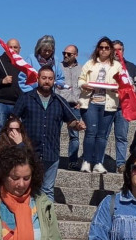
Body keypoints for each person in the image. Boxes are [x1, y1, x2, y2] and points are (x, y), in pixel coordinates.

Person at [11, 66, 86, 199]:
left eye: (50, 79)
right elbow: (13, 119)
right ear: (38, 79)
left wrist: (77, 126)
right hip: (29, 152)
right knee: (27, 189)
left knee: (48, 190)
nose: (47, 81)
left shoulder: (60, 101)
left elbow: (71, 122)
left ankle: (46, 219)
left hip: (51, 153)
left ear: (54, 81)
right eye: (44, 78)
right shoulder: (26, 98)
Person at [78, 36, 123, 174]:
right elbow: (80, 80)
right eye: (101, 47)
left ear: (111, 50)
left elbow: (123, 83)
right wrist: (84, 85)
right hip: (91, 102)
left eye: (107, 48)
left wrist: (118, 88)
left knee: (102, 135)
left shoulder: (117, 66)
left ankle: (98, 162)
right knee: (91, 132)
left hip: (108, 104)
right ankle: (86, 161)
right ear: (98, 49)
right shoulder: (90, 64)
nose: (104, 50)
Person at [111, 40, 136, 173]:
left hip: (123, 107)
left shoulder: (131, 66)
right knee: (101, 135)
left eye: (119, 50)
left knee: (122, 136)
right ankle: (98, 162)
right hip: (107, 105)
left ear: (123, 51)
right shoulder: (106, 65)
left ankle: (120, 163)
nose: (117, 52)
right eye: (114, 50)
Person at [55, 44, 82, 170]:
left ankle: (73, 161)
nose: (65, 55)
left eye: (69, 54)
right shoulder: (57, 67)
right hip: (59, 103)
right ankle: (54, 159)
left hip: (74, 106)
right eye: (64, 53)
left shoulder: (82, 69)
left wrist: (81, 101)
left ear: (76, 55)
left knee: (74, 135)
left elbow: (84, 87)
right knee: (54, 132)